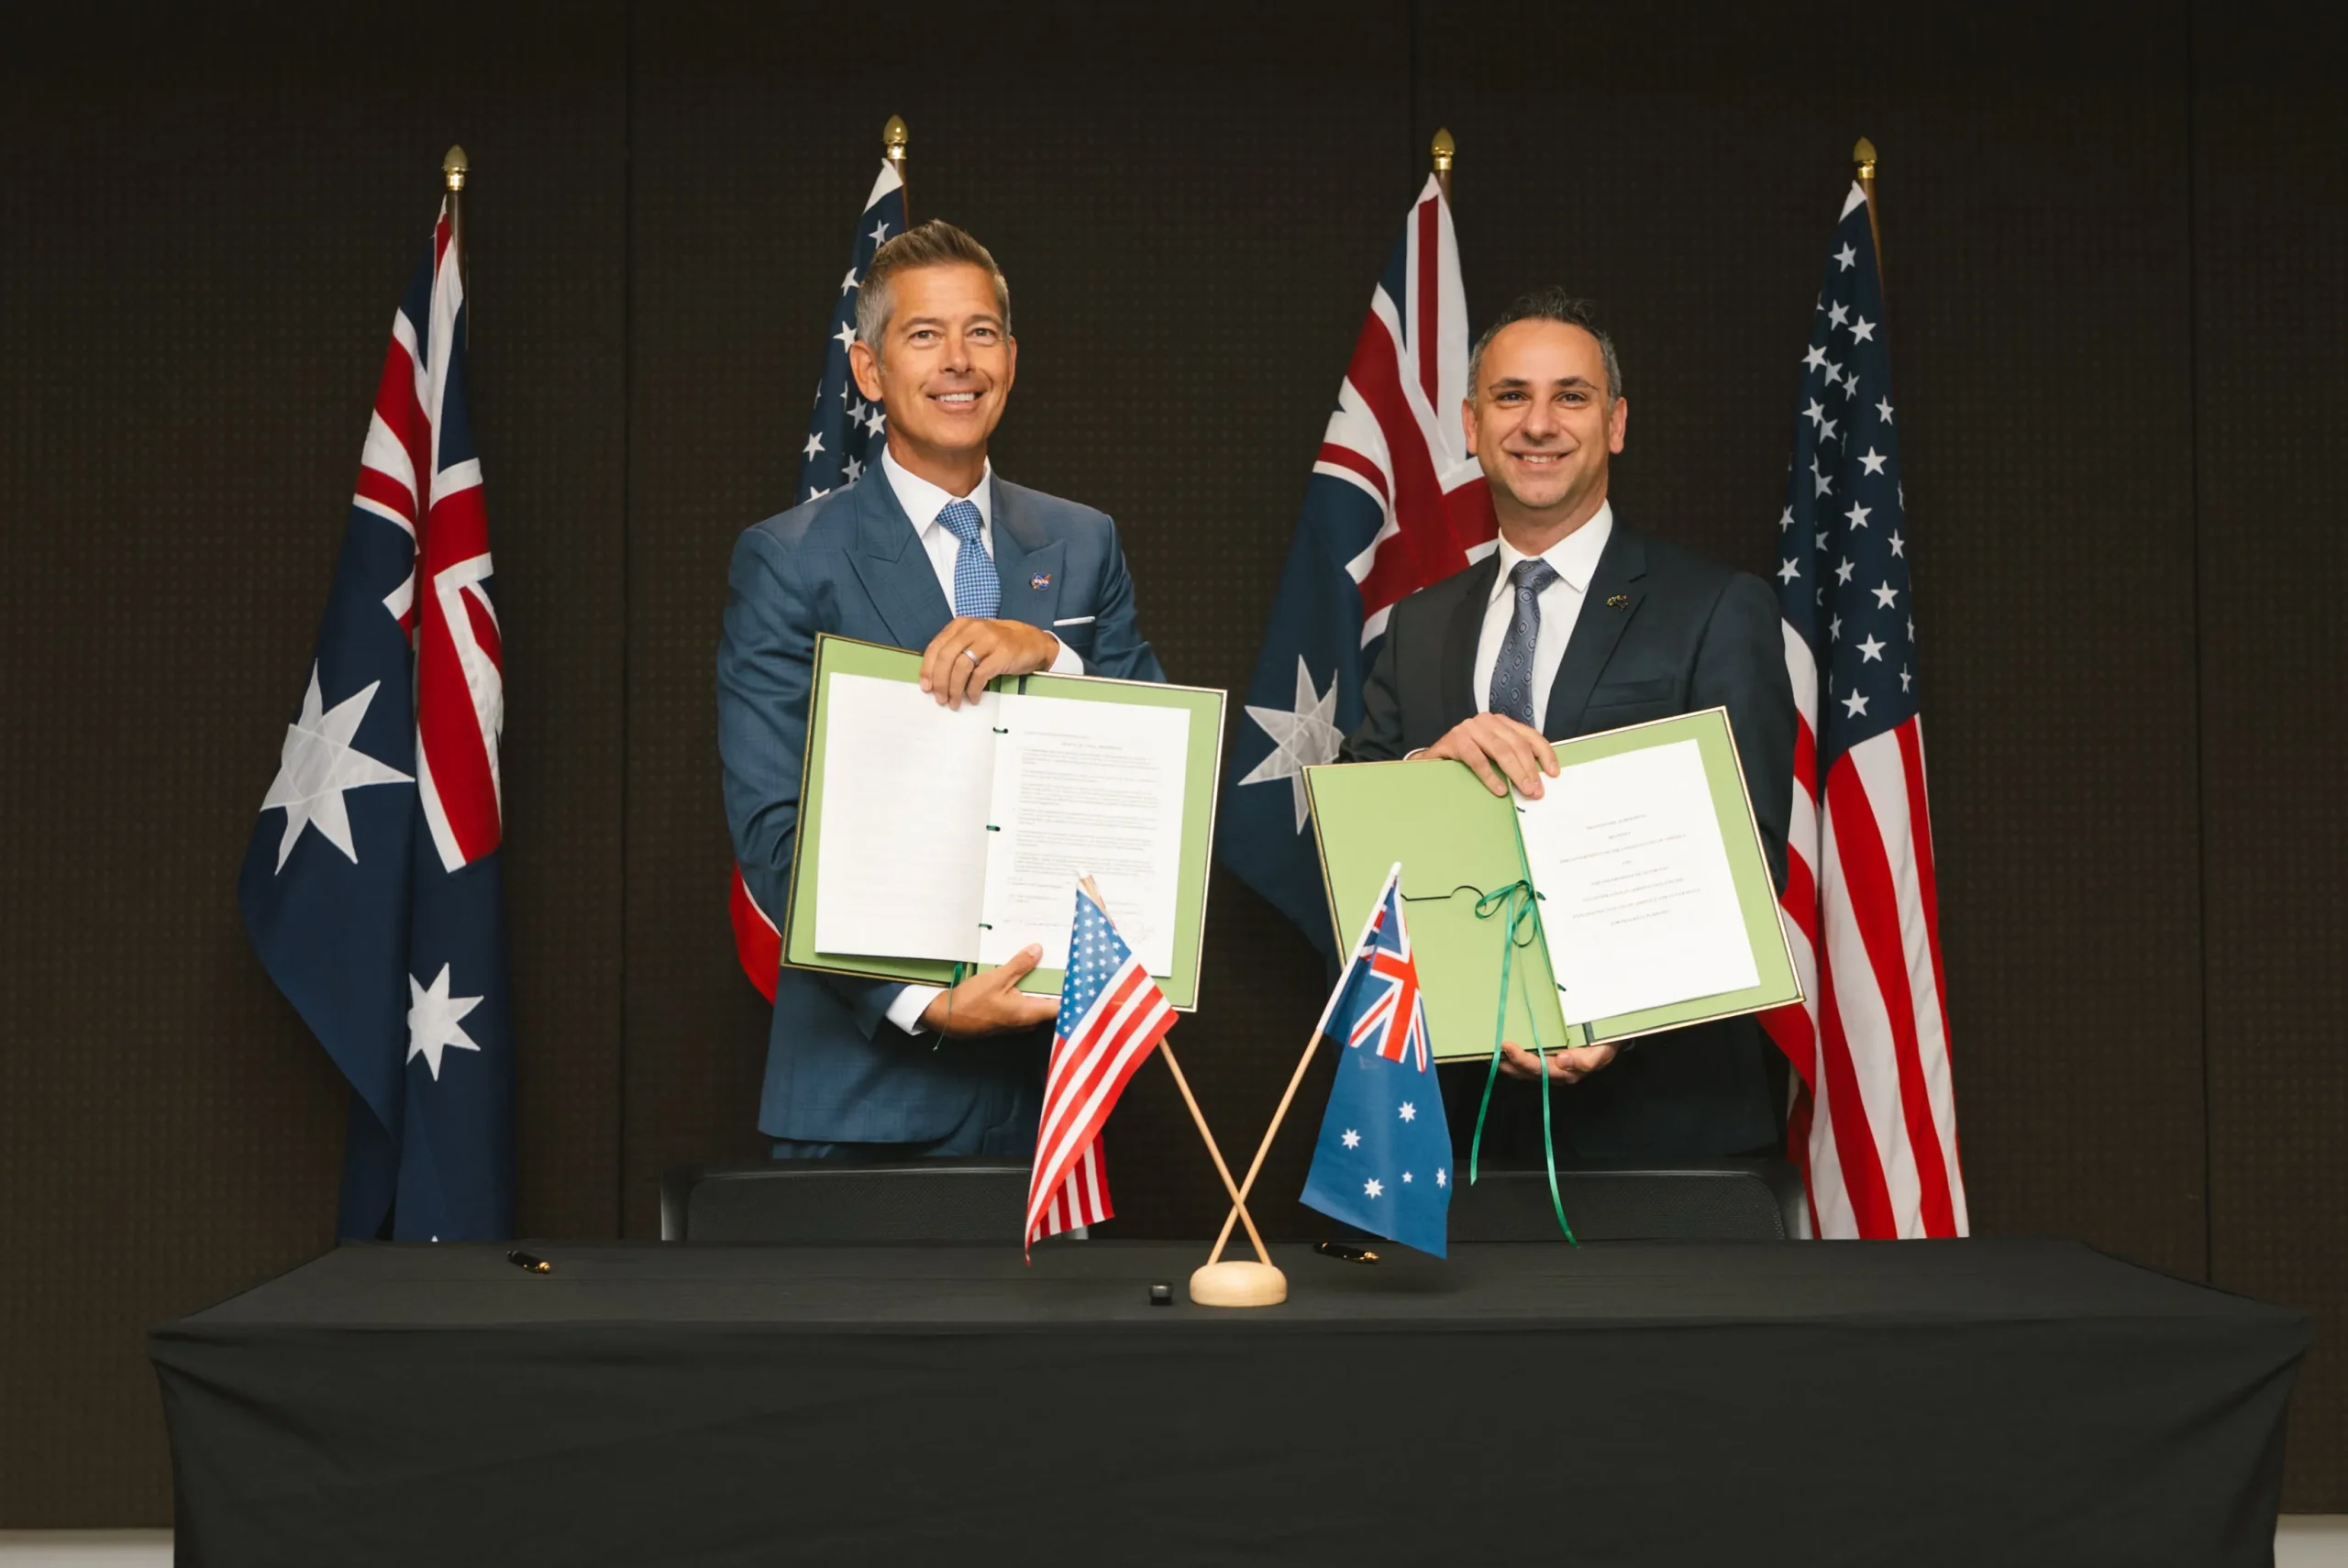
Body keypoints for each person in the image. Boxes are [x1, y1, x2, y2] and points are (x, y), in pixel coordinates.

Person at [718, 220, 1164, 1158]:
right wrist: (923, 1002)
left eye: (981, 333)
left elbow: (1157, 768)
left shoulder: (1084, 543)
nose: (958, 361)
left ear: (1011, 356)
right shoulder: (790, 561)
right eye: (924, 335)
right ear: (869, 370)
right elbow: (773, 829)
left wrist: (1051, 654)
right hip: (864, 1102)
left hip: (1056, 1093)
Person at [1345, 289, 1796, 1162]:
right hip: (1460, 1134)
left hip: (1665, 1134)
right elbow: (1356, 859)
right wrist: (1427, 768)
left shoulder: (1716, 608)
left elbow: (1752, 848)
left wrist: (1616, 1014)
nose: (1538, 423)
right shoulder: (1418, 625)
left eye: (1571, 396)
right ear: (1472, 426)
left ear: (1616, 423)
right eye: (1512, 397)